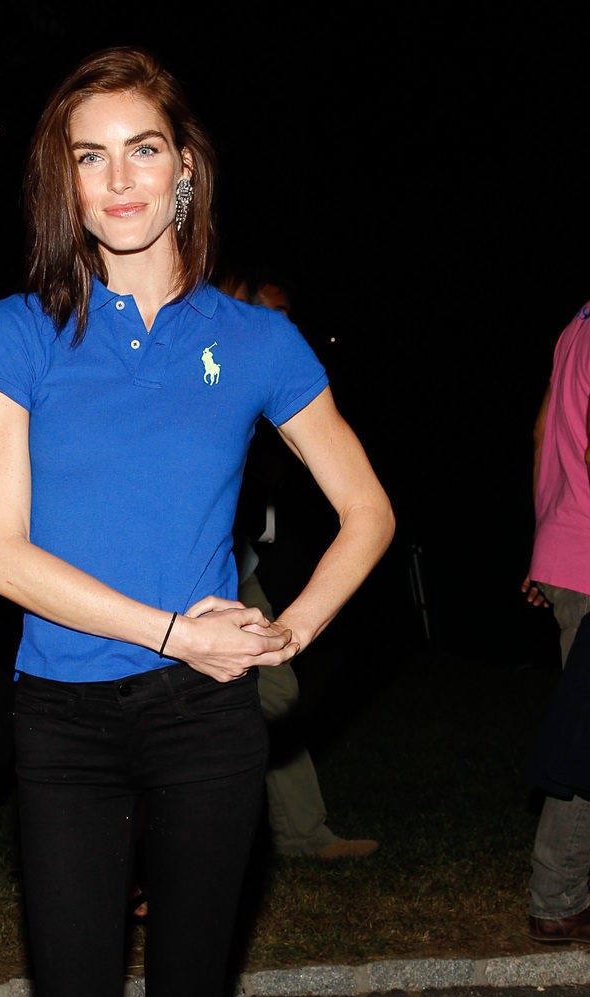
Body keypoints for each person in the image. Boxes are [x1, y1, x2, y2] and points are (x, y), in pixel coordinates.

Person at [0, 46, 394, 997]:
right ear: (63, 185)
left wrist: (286, 633)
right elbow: (1, 557)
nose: (118, 178)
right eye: (88, 156)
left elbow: (368, 513)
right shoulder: (20, 331)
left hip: (205, 722)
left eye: (141, 147)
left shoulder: (256, 339)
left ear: (187, 164)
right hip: (68, 716)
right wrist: (175, 627)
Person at [219, 263, 380, 862]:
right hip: (171, 581)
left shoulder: (272, 369)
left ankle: (300, 834)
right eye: (274, 312)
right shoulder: (211, 352)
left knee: (274, 687)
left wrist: (299, 624)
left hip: (238, 568)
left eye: (289, 317)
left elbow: (368, 509)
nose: (285, 327)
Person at [523, 293, 590, 944]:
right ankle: (557, 896)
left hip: (567, 544)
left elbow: (545, 429)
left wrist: (545, 537)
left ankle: (588, 870)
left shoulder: (582, 318)